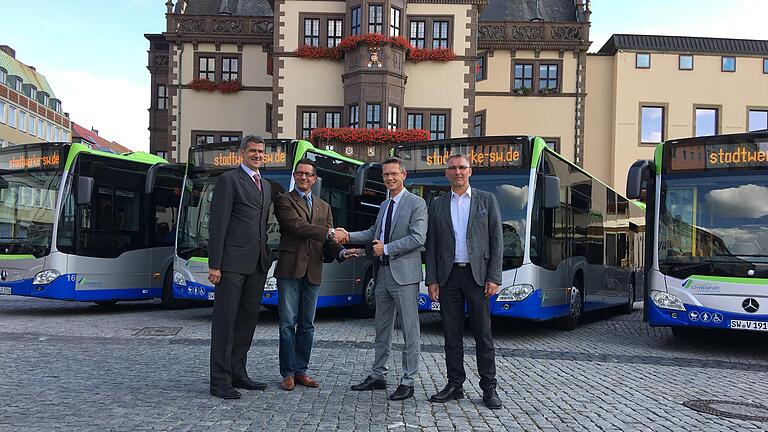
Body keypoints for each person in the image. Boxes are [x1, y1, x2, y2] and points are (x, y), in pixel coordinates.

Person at [338, 157, 427, 401]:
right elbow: (372, 234)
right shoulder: (385, 205)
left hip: (405, 276)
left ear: (403, 175)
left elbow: (418, 238)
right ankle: (378, 375)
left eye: (394, 174)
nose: (389, 178)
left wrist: (386, 249)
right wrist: (347, 236)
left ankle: (408, 381)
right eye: (386, 174)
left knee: (410, 331)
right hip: (383, 274)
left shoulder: (416, 203)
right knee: (382, 329)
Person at [425, 153, 503, 410]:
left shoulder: (487, 200)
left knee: (483, 333)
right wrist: (432, 279)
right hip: (448, 277)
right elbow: (432, 244)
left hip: (477, 276)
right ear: (446, 173)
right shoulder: (437, 204)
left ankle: (488, 387)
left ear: (470, 171)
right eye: (452, 168)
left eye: (462, 168)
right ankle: (455, 384)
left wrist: (494, 276)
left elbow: (496, 242)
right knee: (451, 333)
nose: (457, 172)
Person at [273, 158, 358, 391]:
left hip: (313, 270)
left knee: (308, 324)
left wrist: (341, 252)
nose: (303, 177)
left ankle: (301, 371)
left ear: (314, 178)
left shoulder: (324, 206)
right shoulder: (283, 200)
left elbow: (328, 241)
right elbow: (296, 227)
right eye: (299, 173)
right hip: (290, 269)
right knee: (287, 323)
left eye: (308, 174)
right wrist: (330, 232)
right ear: (295, 176)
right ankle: (288, 373)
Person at [207, 135, 274, 399]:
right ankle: (219, 380)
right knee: (225, 323)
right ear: (242, 154)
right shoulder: (229, 181)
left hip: (257, 264)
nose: (257, 155)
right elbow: (218, 224)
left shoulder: (266, 186)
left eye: (261, 151)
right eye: (253, 151)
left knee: (247, 322)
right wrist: (215, 264)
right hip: (231, 264)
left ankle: (238, 372)